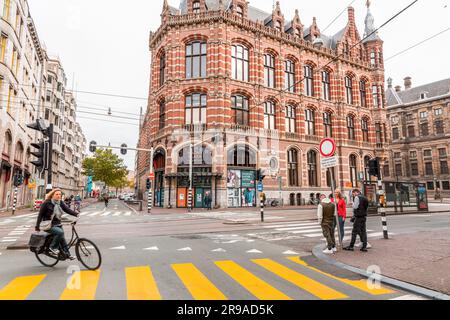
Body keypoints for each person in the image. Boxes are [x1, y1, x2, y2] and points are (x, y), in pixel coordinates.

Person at [35, 189, 79, 259]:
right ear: (52, 195)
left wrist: (76, 214)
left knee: (62, 239)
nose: (59, 196)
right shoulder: (46, 203)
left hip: (57, 223)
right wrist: (37, 226)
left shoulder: (60, 202)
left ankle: (68, 254)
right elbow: (40, 215)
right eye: (57, 194)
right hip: (48, 225)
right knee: (60, 232)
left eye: (60, 194)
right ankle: (52, 247)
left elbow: (67, 210)